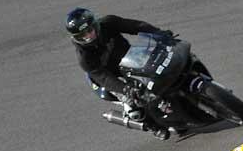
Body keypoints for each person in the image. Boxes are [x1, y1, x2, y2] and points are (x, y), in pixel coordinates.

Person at [65, 7, 176, 140]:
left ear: (95, 25)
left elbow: (136, 26)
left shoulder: (108, 23)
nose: (88, 36)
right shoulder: (84, 57)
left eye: (89, 30)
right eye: (82, 35)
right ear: (76, 37)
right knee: (133, 104)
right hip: (110, 78)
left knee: (165, 66)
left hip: (131, 59)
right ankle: (153, 126)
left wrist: (158, 33)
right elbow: (103, 78)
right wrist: (125, 89)